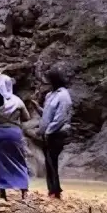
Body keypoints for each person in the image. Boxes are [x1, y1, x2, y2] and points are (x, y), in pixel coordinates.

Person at [0, 73, 30, 201]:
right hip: (14, 133)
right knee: (19, 160)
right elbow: (26, 117)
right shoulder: (17, 100)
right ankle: (24, 191)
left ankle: (2, 192)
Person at [40, 66, 73, 200]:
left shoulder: (63, 95)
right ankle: (52, 189)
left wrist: (48, 131)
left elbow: (60, 117)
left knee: (52, 160)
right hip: (48, 132)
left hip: (57, 132)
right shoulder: (51, 95)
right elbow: (48, 115)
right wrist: (38, 108)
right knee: (49, 161)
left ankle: (55, 190)